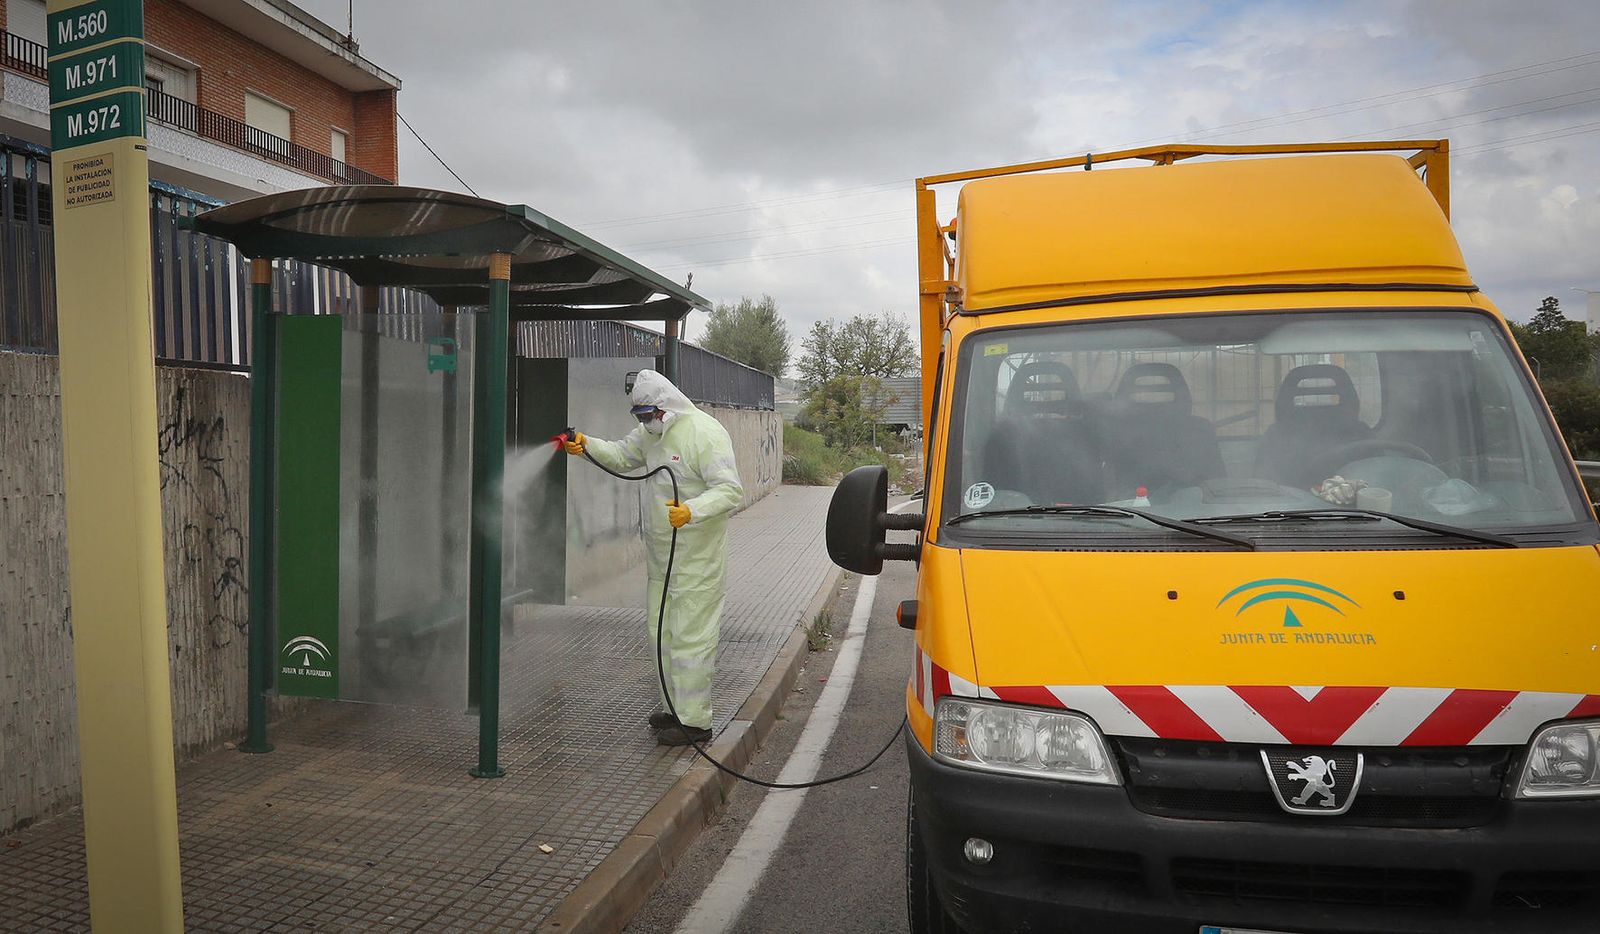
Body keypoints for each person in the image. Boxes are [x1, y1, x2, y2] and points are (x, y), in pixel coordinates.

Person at [564, 369, 744, 745]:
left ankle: (695, 722)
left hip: (696, 560)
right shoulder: (651, 434)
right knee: (661, 633)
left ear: (667, 407)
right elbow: (621, 456)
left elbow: (729, 491)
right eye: (640, 417)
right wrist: (586, 445)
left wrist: (692, 510)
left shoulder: (704, 433)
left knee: (691, 638)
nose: (646, 423)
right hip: (662, 559)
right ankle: (672, 710)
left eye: (649, 415)